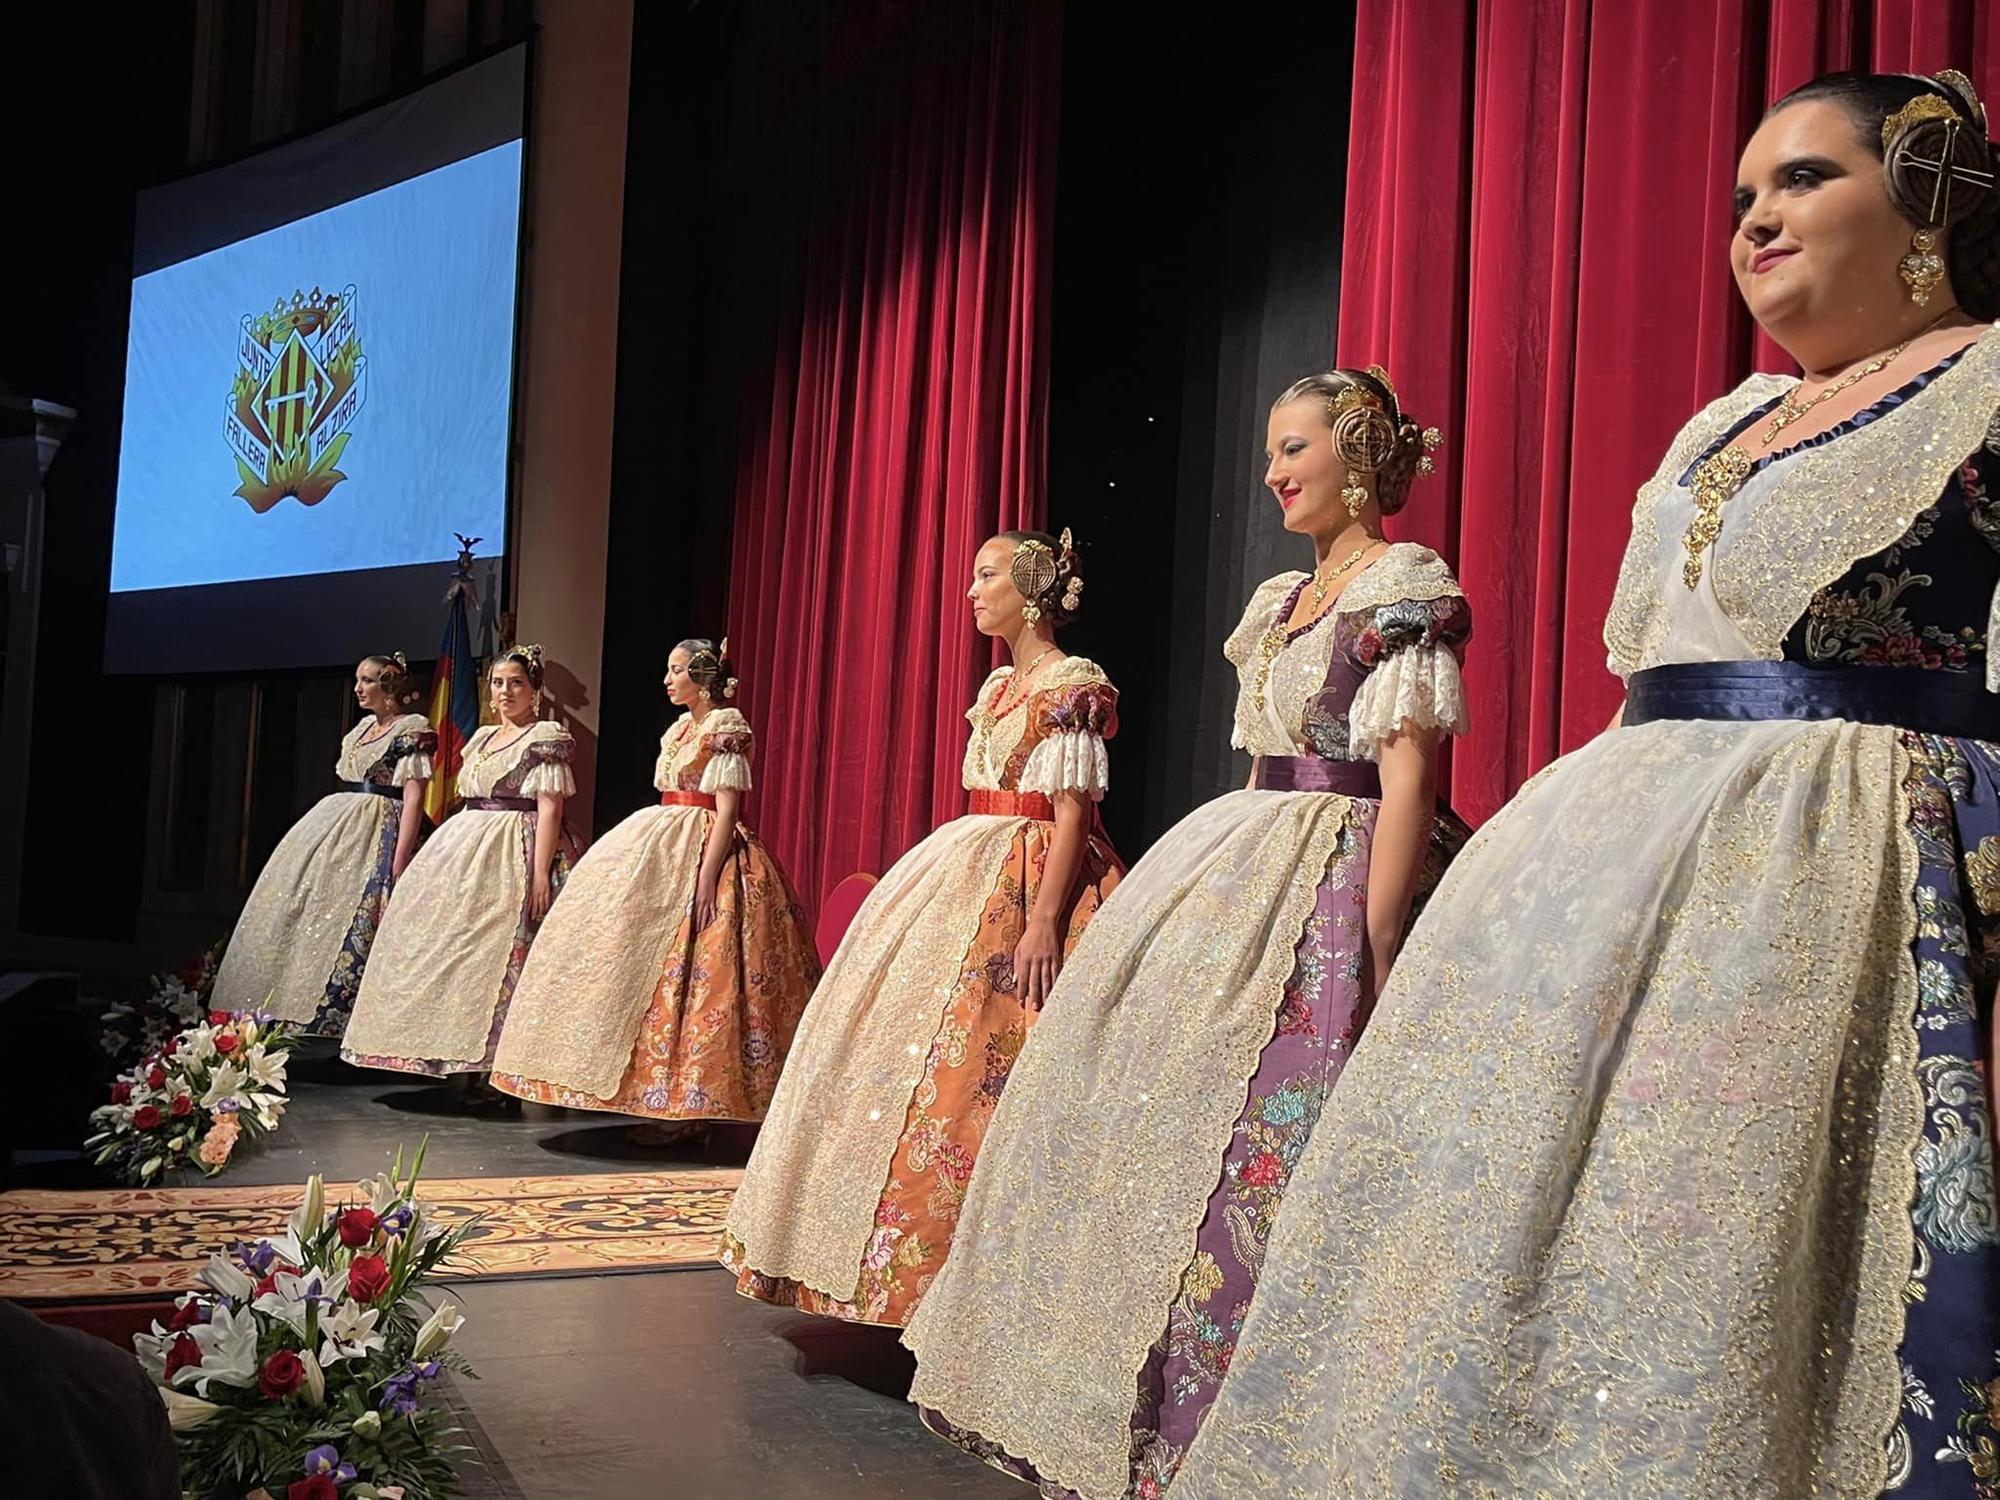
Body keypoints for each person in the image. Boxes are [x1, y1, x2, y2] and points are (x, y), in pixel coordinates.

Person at [1174, 69, 2000, 1499]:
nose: (1758, 217)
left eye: (1805, 179)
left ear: (1926, 194)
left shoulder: (1987, 381)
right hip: (1619, 867)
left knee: (1744, 1252)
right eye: (1745, 195)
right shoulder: (1724, 423)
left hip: (1844, 879)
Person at [903, 367, 1470, 1500]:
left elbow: (1407, 768)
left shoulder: (1402, 586)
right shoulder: (1276, 600)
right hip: (1244, 852)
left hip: (1346, 855)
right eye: (1267, 449)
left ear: (1357, 456)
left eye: (1294, 449)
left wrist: (1384, 928)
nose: (1271, 472)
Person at [721, 529, 1123, 1325]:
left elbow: (1074, 810)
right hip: (967, 860)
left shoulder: (1072, 683)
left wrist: (1044, 919)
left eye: (988, 575)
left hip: (1035, 872)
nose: (972, 591)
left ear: (1033, 587)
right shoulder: (1001, 684)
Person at [491, 639, 820, 1122]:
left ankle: (693, 1102)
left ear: (702, 677)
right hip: (661, 839)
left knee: (707, 968)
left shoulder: (724, 727)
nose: (668, 680)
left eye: (677, 670)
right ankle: (644, 1091)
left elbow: (728, 810)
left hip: (706, 840)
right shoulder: (681, 729)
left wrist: (708, 875)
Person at [341, 645, 580, 1077]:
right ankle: (452, 1057)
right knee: (455, 951)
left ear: (535, 690)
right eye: (498, 683)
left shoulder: (545, 738)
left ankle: (499, 1067)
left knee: (505, 954)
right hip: (466, 846)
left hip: (516, 845)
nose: (505, 692)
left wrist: (541, 871)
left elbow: (550, 808)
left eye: (516, 683)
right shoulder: (485, 738)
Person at [211, 655, 434, 1035]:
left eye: (367, 681)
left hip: (383, 824)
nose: (359, 688)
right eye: (357, 680)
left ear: (389, 686)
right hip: (339, 824)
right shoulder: (361, 730)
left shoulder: (412, 729)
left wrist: (400, 861)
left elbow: (413, 799)